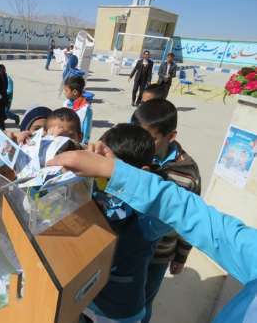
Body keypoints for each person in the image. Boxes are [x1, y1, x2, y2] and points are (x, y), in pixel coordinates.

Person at [49, 148, 257, 323]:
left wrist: (180, 256)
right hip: (96, 301)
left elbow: (178, 214)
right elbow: (192, 215)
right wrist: (115, 172)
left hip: (124, 311)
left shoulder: (146, 223)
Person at [85, 124, 171, 323]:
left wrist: (145, 182)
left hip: (120, 309)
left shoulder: (146, 217)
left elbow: (172, 209)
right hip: (87, 297)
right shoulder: (94, 187)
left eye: (112, 172)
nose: (102, 176)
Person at [131, 100, 201, 323]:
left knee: (143, 303)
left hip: (159, 255)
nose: (141, 143)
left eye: (150, 138)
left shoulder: (187, 173)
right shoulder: (132, 154)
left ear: (171, 136)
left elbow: (189, 219)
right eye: (137, 134)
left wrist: (181, 256)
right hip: (127, 248)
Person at [63, 76, 93, 144]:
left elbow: (86, 128)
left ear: (75, 92)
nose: (64, 92)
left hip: (77, 142)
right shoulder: (66, 103)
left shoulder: (86, 109)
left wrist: (84, 143)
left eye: (66, 90)